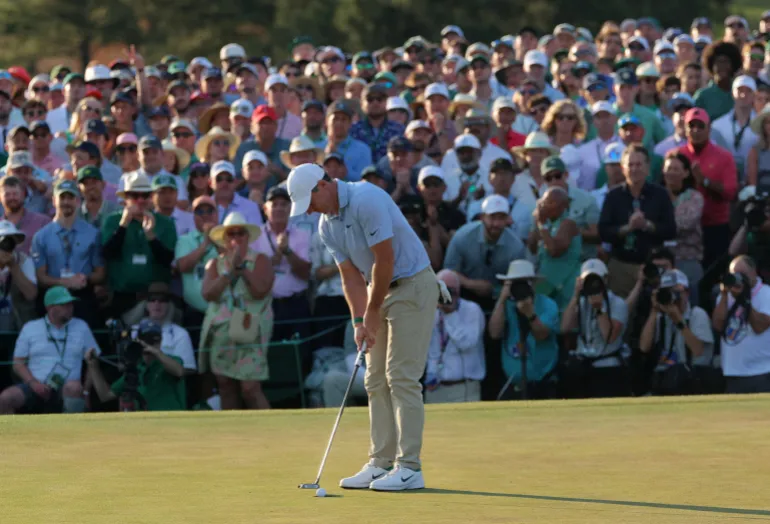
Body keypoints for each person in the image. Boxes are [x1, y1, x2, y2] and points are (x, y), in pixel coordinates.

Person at [287, 163, 442, 491]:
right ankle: (380, 461)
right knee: (374, 379)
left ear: (322, 186)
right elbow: (350, 276)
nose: (310, 210)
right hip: (378, 289)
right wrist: (359, 321)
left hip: (413, 285)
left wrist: (371, 311)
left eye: (310, 202)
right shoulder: (326, 225)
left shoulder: (366, 198)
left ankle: (409, 467)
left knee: (401, 376)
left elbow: (384, 260)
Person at [200, 212, 274, 410]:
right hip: (222, 331)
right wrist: (228, 273)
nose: (236, 238)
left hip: (252, 330)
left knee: (250, 387)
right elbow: (208, 294)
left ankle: (270, 426)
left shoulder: (261, 260)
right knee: (225, 385)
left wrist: (242, 269)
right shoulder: (214, 263)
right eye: (231, 234)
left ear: (247, 237)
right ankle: (232, 428)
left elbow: (260, 290)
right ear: (225, 238)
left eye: (241, 233)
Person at [87, 283, 196, 411]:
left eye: (154, 340)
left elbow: (180, 371)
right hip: (145, 421)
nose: (148, 343)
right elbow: (105, 395)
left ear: (161, 341)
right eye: (145, 339)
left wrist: (156, 352)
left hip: (170, 420)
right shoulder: (136, 369)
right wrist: (93, 366)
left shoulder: (172, 361)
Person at [0, 286, 99, 414]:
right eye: (64, 305)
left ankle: (70, 427)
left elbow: (93, 361)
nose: (70, 308)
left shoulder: (81, 326)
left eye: (70, 304)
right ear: (50, 308)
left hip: (68, 387)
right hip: (35, 385)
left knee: (74, 387)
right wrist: (33, 383)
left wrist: (86, 391)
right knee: (5, 398)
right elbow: (18, 363)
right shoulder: (31, 328)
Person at [599, 144, 676, 298]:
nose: (634, 169)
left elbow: (671, 230)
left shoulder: (660, 195)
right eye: (630, 165)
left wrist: (648, 225)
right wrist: (627, 228)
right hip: (621, 265)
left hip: (652, 266)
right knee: (620, 308)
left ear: (647, 167)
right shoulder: (613, 196)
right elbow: (603, 232)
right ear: (623, 168)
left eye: (639, 164)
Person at [101, 172, 177, 316]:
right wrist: (123, 224)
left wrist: (151, 235)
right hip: (122, 295)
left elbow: (167, 259)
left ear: (151, 197)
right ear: (126, 198)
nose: (141, 200)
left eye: (145, 195)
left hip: (156, 298)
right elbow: (108, 253)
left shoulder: (165, 222)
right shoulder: (112, 221)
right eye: (135, 196)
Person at [31, 180, 104, 326]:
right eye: (62, 197)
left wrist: (83, 279)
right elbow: (41, 277)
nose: (66, 202)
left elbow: (100, 274)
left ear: (78, 201)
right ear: (54, 200)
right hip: (52, 297)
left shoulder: (93, 233)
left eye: (70, 197)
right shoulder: (41, 236)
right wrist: (64, 282)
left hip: (82, 296)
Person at [488, 260, 559, 400]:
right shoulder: (506, 306)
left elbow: (541, 335)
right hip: (513, 383)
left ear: (533, 284)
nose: (520, 287)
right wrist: (502, 299)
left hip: (542, 384)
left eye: (523, 283)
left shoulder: (548, 305)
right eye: (515, 283)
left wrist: (530, 314)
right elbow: (494, 333)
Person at [677, 107, 738, 272]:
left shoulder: (724, 157)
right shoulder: (676, 156)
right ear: (685, 128)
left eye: (700, 126)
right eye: (691, 126)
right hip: (684, 230)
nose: (696, 131)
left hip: (715, 227)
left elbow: (730, 192)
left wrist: (704, 181)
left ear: (709, 129)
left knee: (715, 275)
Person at [560, 258, 630, 398]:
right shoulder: (580, 302)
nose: (592, 285)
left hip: (607, 367)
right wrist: (575, 296)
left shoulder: (617, 303)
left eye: (596, 280)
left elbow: (609, 336)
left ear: (605, 280)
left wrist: (599, 309)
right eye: (588, 280)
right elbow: (565, 328)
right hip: (583, 365)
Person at [444, 194, 527, 312]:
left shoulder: (516, 246)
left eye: (501, 218)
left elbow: (519, 283)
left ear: (508, 219)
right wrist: (470, 284)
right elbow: (448, 271)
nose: (496, 223)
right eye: (492, 217)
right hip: (462, 296)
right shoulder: (463, 236)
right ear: (482, 217)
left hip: (500, 299)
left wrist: (494, 290)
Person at [252, 186, 312, 346]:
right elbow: (251, 274)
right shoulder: (255, 237)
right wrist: (269, 262)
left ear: (290, 209)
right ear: (265, 209)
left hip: (296, 305)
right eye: (274, 204)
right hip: (266, 305)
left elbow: (305, 274)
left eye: (283, 204)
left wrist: (287, 252)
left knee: (301, 353)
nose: (279, 208)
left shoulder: (302, 235)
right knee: (271, 353)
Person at [639, 270, 714, 395]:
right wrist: (654, 310)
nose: (672, 297)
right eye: (667, 292)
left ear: (687, 293)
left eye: (675, 292)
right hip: (665, 378)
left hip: (691, 379)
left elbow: (698, 351)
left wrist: (679, 321)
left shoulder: (697, 314)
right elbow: (644, 347)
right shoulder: (661, 317)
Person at [424, 269, 485, 404]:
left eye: (450, 290)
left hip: (464, 388)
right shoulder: (430, 311)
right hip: (435, 387)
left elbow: (466, 343)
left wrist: (450, 314)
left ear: (458, 291)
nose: (446, 294)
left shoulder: (472, 310)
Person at [712, 255, 770, 393]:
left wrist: (744, 299)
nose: (738, 278)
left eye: (742, 274)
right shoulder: (726, 296)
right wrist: (724, 295)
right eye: (734, 274)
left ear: (754, 272)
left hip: (762, 371)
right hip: (733, 372)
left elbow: (760, 327)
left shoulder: (766, 293)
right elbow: (718, 325)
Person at [528, 187, 581, 312]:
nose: (545, 205)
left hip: (564, 286)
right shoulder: (547, 223)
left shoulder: (568, 223)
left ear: (563, 206)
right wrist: (536, 223)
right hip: (547, 283)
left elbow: (553, 251)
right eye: (544, 202)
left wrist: (542, 225)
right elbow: (532, 247)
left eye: (550, 202)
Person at [175, 195, 219, 332]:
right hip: (194, 312)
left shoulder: (227, 238)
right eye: (200, 212)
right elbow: (183, 267)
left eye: (209, 211)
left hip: (222, 311)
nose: (205, 215)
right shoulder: (185, 240)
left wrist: (216, 240)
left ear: (217, 214)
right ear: (193, 216)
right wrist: (205, 243)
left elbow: (233, 263)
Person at [350, 83, 405, 163]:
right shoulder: (353, 130)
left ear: (386, 102)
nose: (375, 102)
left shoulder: (398, 130)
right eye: (370, 99)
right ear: (361, 104)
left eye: (380, 99)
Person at [0, 220, 38, 333]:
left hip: (19, 325)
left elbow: (31, 295)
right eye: (3, 241)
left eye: (10, 241)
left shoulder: (23, 260)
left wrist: (14, 266)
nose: (6, 245)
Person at [0, 175, 50, 255]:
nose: (12, 198)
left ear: (23, 194)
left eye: (15, 194)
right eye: (7, 194)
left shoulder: (43, 222)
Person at [210, 160, 263, 225]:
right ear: (210, 183)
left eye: (229, 179)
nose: (224, 183)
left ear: (235, 182)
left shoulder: (251, 207)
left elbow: (257, 231)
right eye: (219, 179)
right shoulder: (202, 208)